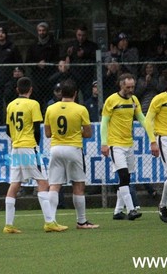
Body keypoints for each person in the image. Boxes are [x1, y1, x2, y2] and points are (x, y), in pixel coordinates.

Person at [3, 76, 67, 234]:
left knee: (14, 184)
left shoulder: (10, 105)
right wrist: (35, 147)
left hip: (15, 147)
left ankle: (8, 225)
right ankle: (49, 222)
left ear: (17, 90)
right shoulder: (33, 104)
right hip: (29, 147)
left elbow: (7, 129)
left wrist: (16, 139)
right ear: (30, 89)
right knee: (43, 183)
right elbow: (37, 129)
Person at [45, 79, 99, 229]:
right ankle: (81, 221)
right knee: (78, 185)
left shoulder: (51, 109)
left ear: (61, 93)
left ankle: (51, 221)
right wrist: (75, 131)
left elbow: (48, 133)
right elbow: (88, 133)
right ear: (76, 93)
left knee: (54, 186)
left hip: (55, 149)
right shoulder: (81, 109)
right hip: (73, 149)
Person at [100, 73, 144, 221]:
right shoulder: (111, 100)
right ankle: (131, 209)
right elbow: (104, 123)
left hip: (129, 144)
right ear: (121, 85)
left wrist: (152, 135)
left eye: (133, 86)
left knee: (126, 178)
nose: (131, 89)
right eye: (128, 87)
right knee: (124, 175)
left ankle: (118, 211)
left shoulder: (134, 100)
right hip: (115, 144)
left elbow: (141, 118)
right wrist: (104, 143)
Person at [145, 69, 167, 224]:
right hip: (166, 140)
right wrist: (152, 141)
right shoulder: (160, 99)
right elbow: (148, 120)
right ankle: (163, 205)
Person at [25, 22, 59, 113]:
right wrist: (37, 64)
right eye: (39, 30)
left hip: (50, 78)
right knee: (38, 102)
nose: (41, 32)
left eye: (43, 30)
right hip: (37, 79)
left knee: (50, 102)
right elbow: (27, 61)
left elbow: (57, 60)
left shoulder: (54, 45)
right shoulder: (33, 46)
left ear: (47, 31)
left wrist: (48, 64)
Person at [64, 25, 98, 100]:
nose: (81, 38)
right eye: (79, 35)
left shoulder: (92, 46)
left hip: (87, 76)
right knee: (72, 96)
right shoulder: (70, 45)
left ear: (86, 35)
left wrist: (85, 54)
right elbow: (63, 57)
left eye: (83, 35)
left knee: (88, 97)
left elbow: (96, 58)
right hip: (73, 75)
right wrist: (68, 55)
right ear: (76, 34)